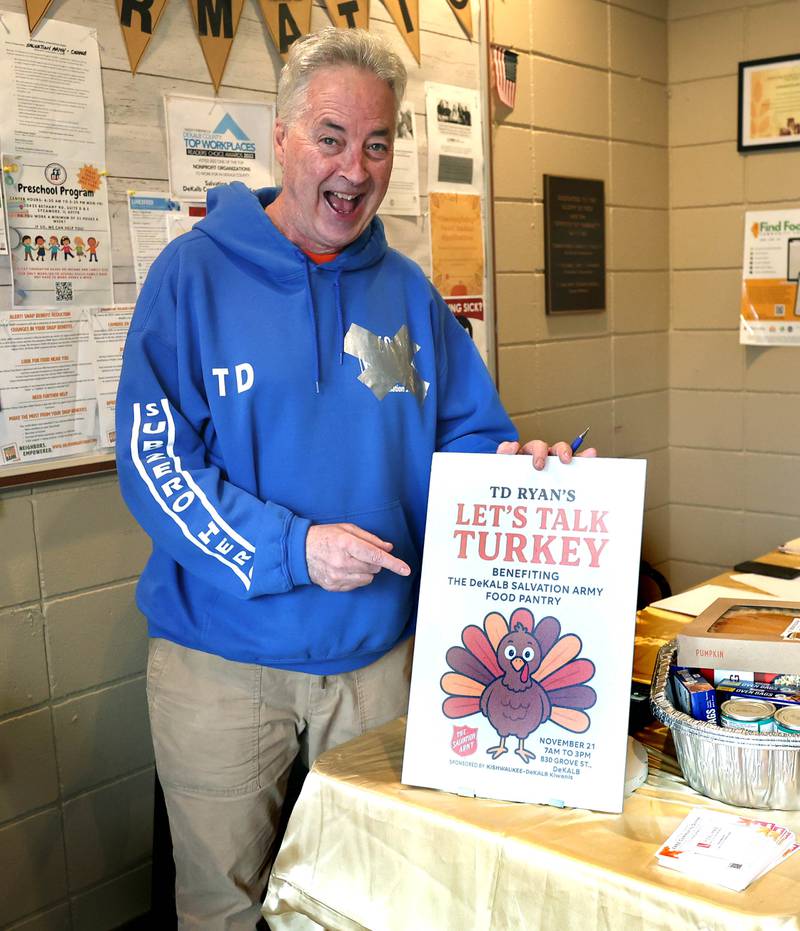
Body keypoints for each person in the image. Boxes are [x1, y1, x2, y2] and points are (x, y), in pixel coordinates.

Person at [115, 27, 595, 930]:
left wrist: (527, 476)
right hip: (223, 663)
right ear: (283, 138)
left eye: (378, 143)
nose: (355, 166)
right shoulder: (191, 277)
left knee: (383, 899)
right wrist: (294, 548)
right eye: (332, 137)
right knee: (224, 906)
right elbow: (156, 465)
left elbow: (470, 436)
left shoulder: (408, 290)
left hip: (383, 661)